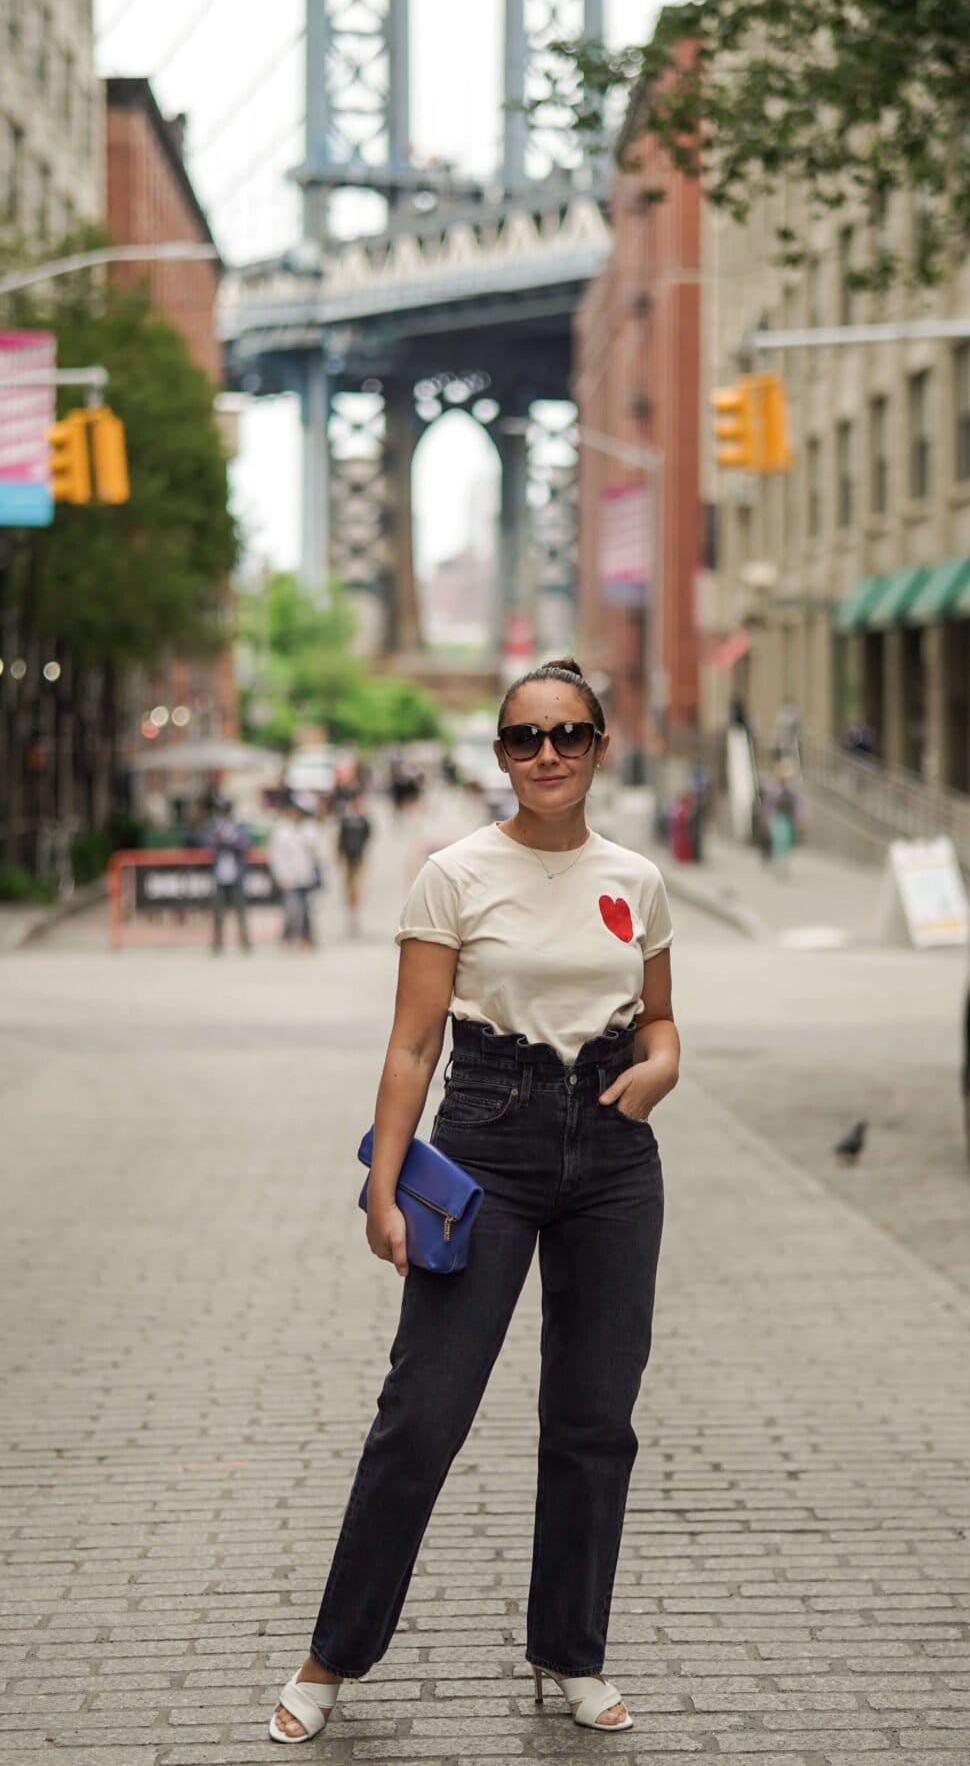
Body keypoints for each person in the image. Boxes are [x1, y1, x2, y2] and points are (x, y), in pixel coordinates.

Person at [269, 656, 679, 1744]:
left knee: (595, 1422)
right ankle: (328, 1660)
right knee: (421, 1415)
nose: (546, 755)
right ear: (499, 754)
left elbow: (661, 1019)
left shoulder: (635, 878)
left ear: (599, 746)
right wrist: (384, 1189)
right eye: (523, 738)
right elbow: (410, 1043)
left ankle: (570, 1652)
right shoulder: (451, 873)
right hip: (486, 1142)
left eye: (569, 735)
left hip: (612, 1152)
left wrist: (664, 1063)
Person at [201, 798, 252, 954]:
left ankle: (245, 943)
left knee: (241, 912)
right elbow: (207, 844)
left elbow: (244, 844)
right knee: (218, 913)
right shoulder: (214, 827)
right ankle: (217, 943)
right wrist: (218, 840)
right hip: (220, 876)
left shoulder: (239, 827)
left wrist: (227, 841)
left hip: (236, 876)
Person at [268, 799, 320, 949]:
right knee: (290, 909)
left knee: (305, 909)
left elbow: (316, 851)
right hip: (289, 877)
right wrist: (280, 877)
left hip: (305, 875)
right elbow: (276, 856)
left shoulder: (308, 829)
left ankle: (306, 937)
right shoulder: (282, 830)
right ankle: (288, 937)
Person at [335, 794, 373, 936]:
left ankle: (354, 912)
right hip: (349, 857)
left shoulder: (361, 821)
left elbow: (367, 838)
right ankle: (351, 912)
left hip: (357, 857)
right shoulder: (348, 821)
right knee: (350, 886)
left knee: (356, 885)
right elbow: (340, 839)